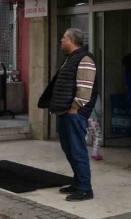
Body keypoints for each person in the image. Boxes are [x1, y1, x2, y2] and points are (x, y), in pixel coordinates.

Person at [39, 28, 98, 201]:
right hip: (65, 111)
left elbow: (85, 88)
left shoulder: (85, 58)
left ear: (71, 40)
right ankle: (78, 182)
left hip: (74, 113)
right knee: (68, 148)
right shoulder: (70, 58)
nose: (61, 40)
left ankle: (85, 188)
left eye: (63, 37)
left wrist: (75, 108)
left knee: (77, 150)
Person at [86, 95, 103, 161]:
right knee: (97, 135)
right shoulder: (95, 95)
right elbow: (98, 109)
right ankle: (95, 153)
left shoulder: (84, 91)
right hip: (92, 118)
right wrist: (99, 117)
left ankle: (81, 152)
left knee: (84, 135)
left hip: (83, 117)